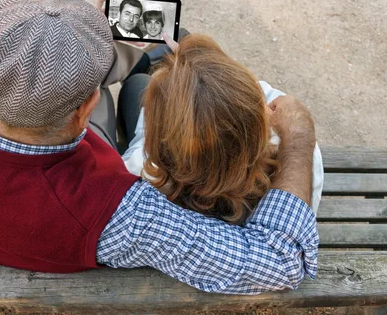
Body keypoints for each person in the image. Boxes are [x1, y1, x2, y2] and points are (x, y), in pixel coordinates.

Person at [0, 0, 319, 295]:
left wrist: (77, 45)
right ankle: (143, 61)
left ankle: (132, 60)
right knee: (144, 79)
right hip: (64, 226)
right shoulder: (117, 212)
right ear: (86, 107)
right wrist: (297, 139)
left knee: (141, 78)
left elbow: (25, 85)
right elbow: (278, 261)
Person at [121, 34, 324, 223]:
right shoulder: (300, 167)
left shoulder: (139, 179)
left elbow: (141, 148)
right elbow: (252, 99)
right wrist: (210, 79)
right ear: (260, 125)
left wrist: (164, 104)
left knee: (136, 84)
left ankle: (142, 64)